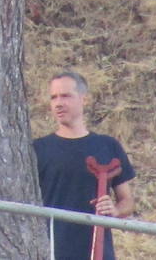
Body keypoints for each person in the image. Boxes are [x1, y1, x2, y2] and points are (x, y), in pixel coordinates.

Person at [33, 71, 135, 260]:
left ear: (84, 99)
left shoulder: (107, 146)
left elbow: (127, 200)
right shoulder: (37, 149)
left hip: (98, 250)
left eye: (65, 96)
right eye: (53, 97)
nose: (58, 103)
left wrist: (115, 210)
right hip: (52, 249)